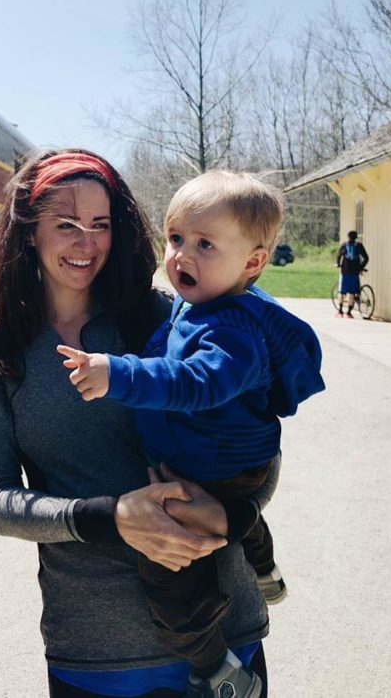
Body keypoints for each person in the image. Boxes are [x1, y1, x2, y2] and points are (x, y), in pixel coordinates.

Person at [0, 149, 279, 698]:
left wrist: (230, 511)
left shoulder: (171, 318)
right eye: (66, 225)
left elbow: (258, 446)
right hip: (95, 648)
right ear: (29, 231)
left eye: (99, 225)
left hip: (225, 628)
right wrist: (113, 517)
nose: (85, 243)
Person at [57, 171, 325, 697]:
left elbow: (194, 383)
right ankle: (265, 566)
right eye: (176, 238)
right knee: (233, 512)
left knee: (169, 569)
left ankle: (215, 666)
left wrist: (118, 373)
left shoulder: (231, 329)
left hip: (223, 465)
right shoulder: (198, 305)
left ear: (252, 262)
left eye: (205, 244)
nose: (182, 256)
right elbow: (166, 350)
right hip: (214, 461)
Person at [335, 230, 369, 318]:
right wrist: (361, 267)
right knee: (352, 292)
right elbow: (366, 258)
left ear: (348, 237)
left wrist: (338, 264)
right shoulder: (359, 246)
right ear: (356, 237)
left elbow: (338, 256)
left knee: (341, 291)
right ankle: (349, 312)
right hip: (355, 272)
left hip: (345, 271)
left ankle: (340, 311)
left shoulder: (344, 245)